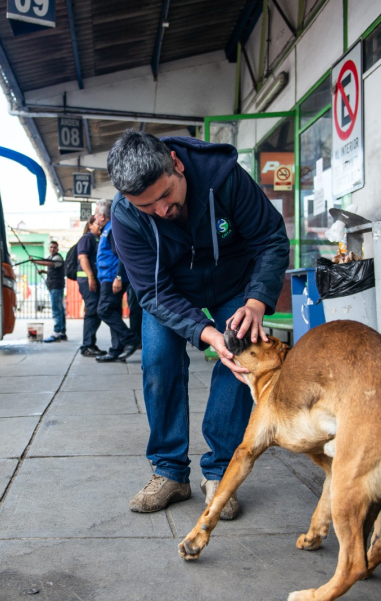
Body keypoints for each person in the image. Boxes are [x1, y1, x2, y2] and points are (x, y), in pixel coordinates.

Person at [107, 130, 289, 517]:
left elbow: (270, 238)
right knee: (158, 361)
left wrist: (256, 302)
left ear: (176, 163)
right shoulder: (124, 216)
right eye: (146, 206)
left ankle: (221, 471)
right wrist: (207, 334)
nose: (160, 211)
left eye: (165, 196)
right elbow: (153, 293)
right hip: (172, 290)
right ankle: (170, 472)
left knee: (241, 360)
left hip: (234, 285)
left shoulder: (225, 178)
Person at [93, 199, 139, 363]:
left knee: (104, 310)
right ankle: (116, 349)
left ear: (102, 216)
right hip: (109, 276)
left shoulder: (112, 229)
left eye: (96, 213)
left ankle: (130, 339)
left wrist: (118, 277)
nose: (94, 216)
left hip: (112, 277)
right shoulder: (108, 228)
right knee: (113, 311)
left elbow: (121, 254)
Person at [76, 216, 105, 357]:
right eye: (98, 224)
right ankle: (87, 346)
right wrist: (91, 277)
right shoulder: (87, 238)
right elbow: (83, 258)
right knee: (92, 310)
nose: (100, 226)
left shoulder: (96, 238)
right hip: (87, 280)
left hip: (91, 279)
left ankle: (90, 344)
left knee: (96, 310)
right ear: (90, 225)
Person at [31, 240, 66, 342]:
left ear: (57, 249)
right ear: (48, 248)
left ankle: (56, 333)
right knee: (59, 310)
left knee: (56, 310)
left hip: (56, 287)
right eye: (51, 247)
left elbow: (49, 263)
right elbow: (52, 268)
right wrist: (44, 271)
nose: (52, 249)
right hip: (53, 286)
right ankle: (62, 332)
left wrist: (35, 261)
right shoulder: (52, 258)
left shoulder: (57, 258)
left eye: (54, 247)